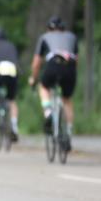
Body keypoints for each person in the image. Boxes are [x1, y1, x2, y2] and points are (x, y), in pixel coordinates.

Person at [29, 16, 78, 150]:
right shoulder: (72, 37)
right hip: (70, 67)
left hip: (53, 64)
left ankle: (48, 111)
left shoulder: (45, 37)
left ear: (48, 28)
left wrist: (33, 78)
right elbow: (76, 60)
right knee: (67, 99)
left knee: (44, 87)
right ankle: (68, 133)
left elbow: (36, 63)